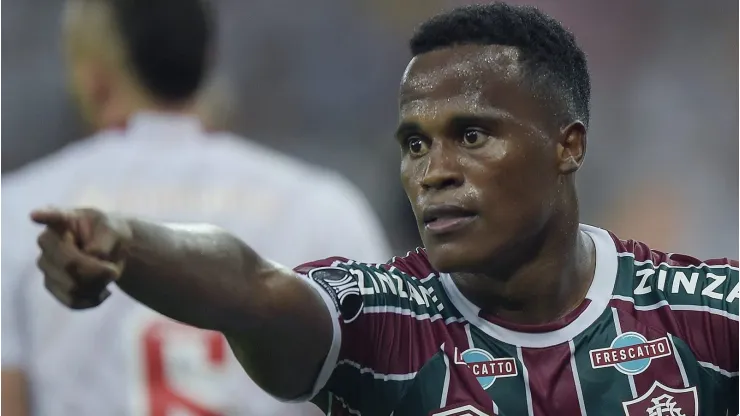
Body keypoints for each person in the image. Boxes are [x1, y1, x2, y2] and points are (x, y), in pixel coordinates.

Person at [29, 3, 738, 416]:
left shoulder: (706, 319)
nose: (433, 172)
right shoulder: (386, 326)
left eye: (470, 135)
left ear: (567, 145)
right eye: (414, 144)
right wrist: (125, 245)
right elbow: (252, 290)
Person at [2, 0, 390, 415]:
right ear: (209, 62)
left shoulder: (20, 210)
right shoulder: (322, 206)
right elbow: (391, 388)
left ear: (92, 77)